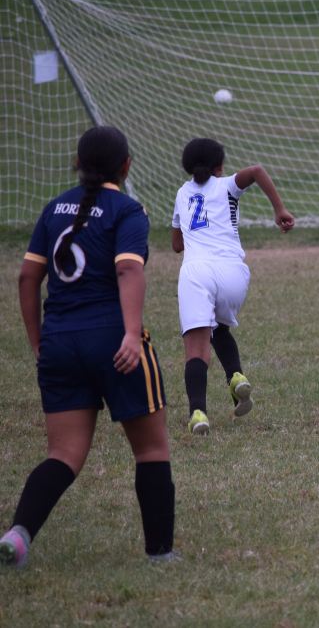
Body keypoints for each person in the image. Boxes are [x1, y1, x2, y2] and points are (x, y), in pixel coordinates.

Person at [1, 126, 176, 567]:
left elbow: (27, 278)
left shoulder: (52, 209)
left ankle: (18, 536)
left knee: (63, 455)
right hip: (113, 341)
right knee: (151, 450)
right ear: (127, 165)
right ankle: (160, 554)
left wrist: (39, 343)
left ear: (78, 164)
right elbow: (128, 271)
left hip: (59, 342)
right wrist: (131, 334)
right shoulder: (127, 210)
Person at [171, 138, 294, 435]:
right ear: (219, 166)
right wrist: (279, 210)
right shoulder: (227, 185)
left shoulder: (182, 194)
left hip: (196, 272)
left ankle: (198, 413)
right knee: (219, 328)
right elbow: (257, 170)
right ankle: (236, 377)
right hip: (232, 273)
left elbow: (176, 245)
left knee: (196, 347)